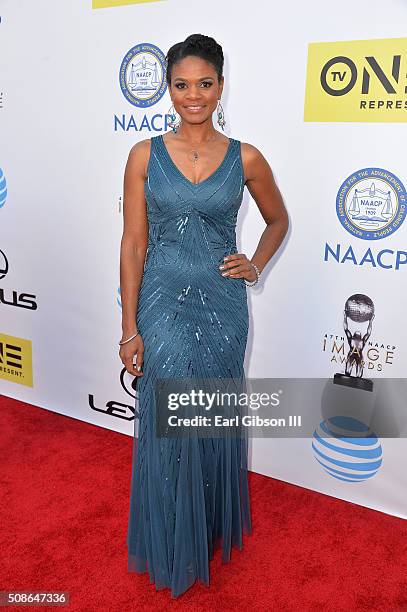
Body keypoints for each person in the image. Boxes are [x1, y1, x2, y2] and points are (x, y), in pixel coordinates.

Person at [119, 33, 289, 598]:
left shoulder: (247, 157)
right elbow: (134, 244)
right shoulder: (143, 154)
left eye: (204, 84)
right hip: (162, 303)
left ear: (221, 86)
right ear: (168, 89)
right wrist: (129, 326)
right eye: (181, 85)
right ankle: (172, 536)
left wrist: (256, 264)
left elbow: (277, 221)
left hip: (221, 308)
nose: (193, 96)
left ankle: (206, 525)